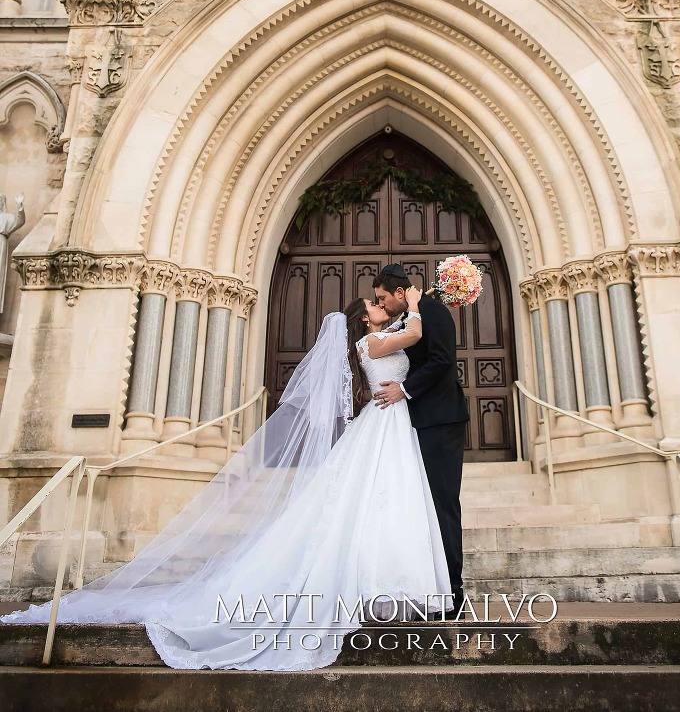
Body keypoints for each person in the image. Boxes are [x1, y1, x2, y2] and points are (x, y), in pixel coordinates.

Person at [2, 291, 452, 670]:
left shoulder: (382, 335)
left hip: (394, 427)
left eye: (381, 302)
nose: (381, 306)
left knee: (386, 502)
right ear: (362, 322)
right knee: (367, 501)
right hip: (382, 423)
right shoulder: (371, 342)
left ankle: (391, 584)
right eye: (374, 306)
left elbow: (413, 342)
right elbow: (411, 335)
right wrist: (418, 301)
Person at [372, 263, 470, 616]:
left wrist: (405, 390)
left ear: (400, 292)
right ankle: (434, 587)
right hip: (417, 425)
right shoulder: (412, 313)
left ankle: (454, 593)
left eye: (383, 297)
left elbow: (443, 360)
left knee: (443, 505)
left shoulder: (434, 312)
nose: (380, 304)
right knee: (424, 508)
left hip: (441, 423)